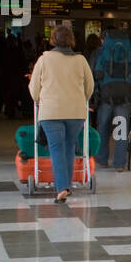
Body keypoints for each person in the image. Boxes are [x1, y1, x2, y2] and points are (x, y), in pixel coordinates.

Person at [28, 24, 94, 204]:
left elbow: (34, 88)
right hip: (75, 112)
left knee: (56, 149)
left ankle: (62, 188)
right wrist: (82, 99)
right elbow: (90, 86)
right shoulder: (81, 60)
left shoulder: (44, 60)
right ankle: (67, 186)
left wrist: (39, 100)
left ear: (53, 40)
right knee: (69, 147)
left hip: (50, 112)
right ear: (71, 39)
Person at [92, 26, 131, 171]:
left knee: (103, 128)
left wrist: (93, 97)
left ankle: (102, 159)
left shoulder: (99, 53)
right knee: (121, 130)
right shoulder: (129, 53)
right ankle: (119, 163)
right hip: (125, 97)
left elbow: (91, 75)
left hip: (105, 97)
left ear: (103, 39)